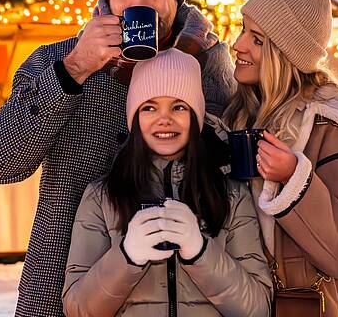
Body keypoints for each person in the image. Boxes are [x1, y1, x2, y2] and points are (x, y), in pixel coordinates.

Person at [0, 0, 236, 317]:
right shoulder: (57, 60)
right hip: (61, 290)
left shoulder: (211, 64)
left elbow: (234, 186)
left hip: (179, 296)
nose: (137, 1)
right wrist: (75, 69)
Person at [62, 49, 272, 316]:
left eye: (178, 107)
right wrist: (127, 256)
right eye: (149, 107)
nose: (165, 119)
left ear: (195, 116)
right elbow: (77, 308)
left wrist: (200, 252)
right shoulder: (102, 197)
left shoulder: (231, 195)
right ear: (135, 117)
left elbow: (258, 309)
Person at [222, 0, 338, 317]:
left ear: (284, 54)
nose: (237, 44)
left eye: (257, 39)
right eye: (242, 30)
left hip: (309, 305)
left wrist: (295, 179)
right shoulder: (236, 115)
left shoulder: (330, 125)